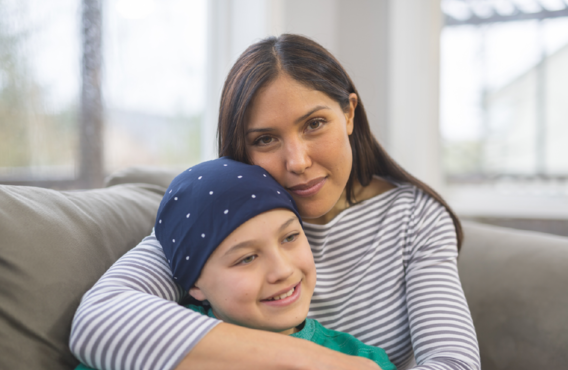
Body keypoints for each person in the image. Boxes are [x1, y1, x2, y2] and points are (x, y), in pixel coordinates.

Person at [70, 34, 480, 370]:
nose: (297, 162)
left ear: (349, 113)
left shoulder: (416, 219)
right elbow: (98, 323)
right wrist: (324, 363)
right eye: (265, 139)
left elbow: (453, 363)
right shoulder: (220, 209)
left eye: (315, 124)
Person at [73, 158, 396, 370]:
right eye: (247, 258)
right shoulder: (147, 346)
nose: (282, 270)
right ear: (196, 284)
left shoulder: (364, 360)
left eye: (289, 238)